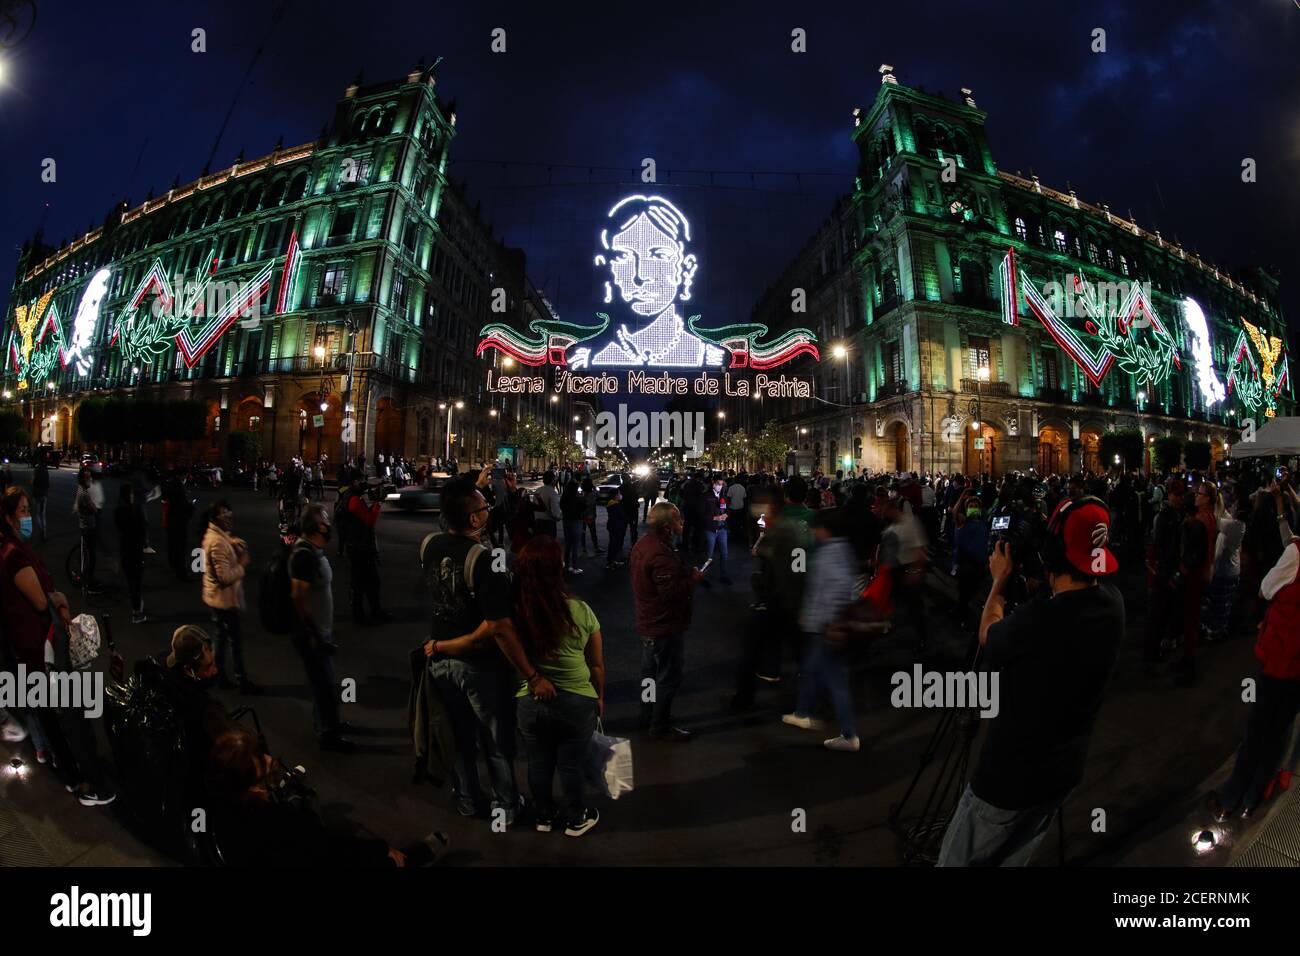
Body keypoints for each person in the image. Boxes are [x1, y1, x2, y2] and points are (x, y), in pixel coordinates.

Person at [937, 497, 1123, 866]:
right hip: (1061, 775)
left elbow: (990, 636)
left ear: (1053, 550)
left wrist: (999, 583)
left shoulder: (1041, 619)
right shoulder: (1113, 604)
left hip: (1008, 782)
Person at [422, 478, 556, 825]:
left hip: (438, 661)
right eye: (484, 508)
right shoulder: (487, 560)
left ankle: (467, 799)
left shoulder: (429, 545)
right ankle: (506, 806)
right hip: (478, 665)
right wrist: (532, 674)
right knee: (495, 741)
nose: (488, 511)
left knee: (459, 736)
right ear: (473, 520)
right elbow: (499, 626)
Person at [0, 486, 115, 806]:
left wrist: (58, 601)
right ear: (8, 518)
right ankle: (87, 784)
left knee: (51, 716)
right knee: (69, 715)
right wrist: (58, 599)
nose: (28, 516)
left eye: (27, 509)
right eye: (22, 511)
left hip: (31, 647)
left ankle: (71, 776)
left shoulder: (16, 548)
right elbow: (39, 599)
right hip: (39, 648)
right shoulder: (13, 554)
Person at [206, 728, 426, 867]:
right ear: (252, 785)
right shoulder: (274, 820)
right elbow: (328, 845)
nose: (268, 757)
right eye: (261, 761)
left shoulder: (220, 805)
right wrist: (381, 849)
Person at [1210, 484, 1300, 820]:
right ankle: (1254, 796)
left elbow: (1265, 587)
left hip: (1280, 658)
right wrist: (1281, 504)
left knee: (1257, 729)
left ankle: (1232, 796)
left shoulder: (1296, 555)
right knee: (1279, 731)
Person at [511, 536, 605, 836]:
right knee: (570, 765)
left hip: (530, 701)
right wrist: (600, 697)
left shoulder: (515, 613)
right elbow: (596, 665)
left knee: (538, 762)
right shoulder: (579, 610)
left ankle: (544, 816)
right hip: (576, 700)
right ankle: (576, 817)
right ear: (557, 569)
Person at [781, 508, 862, 751]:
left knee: (832, 678)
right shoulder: (841, 550)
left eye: (817, 528)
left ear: (825, 530)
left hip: (825, 627)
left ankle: (848, 734)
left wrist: (827, 621)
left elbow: (834, 591)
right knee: (813, 670)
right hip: (825, 624)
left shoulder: (830, 555)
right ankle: (803, 711)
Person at [630, 502, 702, 740]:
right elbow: (671, 592)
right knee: (668, 677)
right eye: (678, 520)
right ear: (668, 527)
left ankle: (646, 714)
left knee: (649, 674)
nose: (682, 524)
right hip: (664, 624)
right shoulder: (659, 553)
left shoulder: (643, 545)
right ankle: (660, 724)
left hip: (648, 621)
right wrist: (692, 579)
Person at [289, 504, 353, 752]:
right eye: (326, 519)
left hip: (318, 630)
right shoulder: (304, 554)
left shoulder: (312, 550)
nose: (330, 524)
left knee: (324, 681)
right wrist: (313, 633)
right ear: (318, 526)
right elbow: (298, 596)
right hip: (312, 634)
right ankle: (328, 734)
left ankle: (328, 722)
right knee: (323, 684)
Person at [201, 500, 261, 694]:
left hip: (219, 599)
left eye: (229, 512)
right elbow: (224, 577)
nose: (228, 517)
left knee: (222, 638)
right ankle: (240, 680)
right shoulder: (217, 542)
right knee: (232, 641)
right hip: (223, 601)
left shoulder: (217, 536)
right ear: (215, 519)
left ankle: (219, 676)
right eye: (223, 514)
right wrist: (242, 564)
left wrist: (232, 541)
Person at [1174, 481, 1219, 686]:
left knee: (1190, 619)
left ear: (1207, 498)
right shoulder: (1210, 517)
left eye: (1200, 493)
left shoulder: (1199, 521)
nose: (1196, 495)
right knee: (1191, 617)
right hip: (1202, 571)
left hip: (1193, 573)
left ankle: (1189, 666)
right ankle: (1187, 660)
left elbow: (1194, 553)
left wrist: (1183, 566)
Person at [340, 475, 390, 625]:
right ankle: (362, 614)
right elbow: (369, 520)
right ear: (353, 482)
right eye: (358, 480)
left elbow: (364, 486)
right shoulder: (354, 500)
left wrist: (380, 482)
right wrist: (378, 503)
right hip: (359, 547)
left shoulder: (349, 494)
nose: (361, 483)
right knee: (364, 582)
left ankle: (370, 611)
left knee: (366, 582)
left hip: (357, 545)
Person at [1203, 498, 1248, 642]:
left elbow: (1215, 520)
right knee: (1222, 604)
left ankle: (1215, 632)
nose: (1232, 506)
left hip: (1226, 571)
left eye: (1235, 504)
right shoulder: (1236, 524)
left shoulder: (1234, 525)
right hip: (1230, 570)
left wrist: (1217, 500)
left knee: (1219, 604)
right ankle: (1218, 630)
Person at [114, 484, 147, 623]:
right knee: (136, 582)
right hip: (135, 550)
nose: (133, 496)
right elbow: (142, 527)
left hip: (125, 549)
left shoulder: (118, 510)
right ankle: (137, 612)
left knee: (131, 580)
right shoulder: (134, 510)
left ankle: (137, 604)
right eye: (131, 494)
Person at [698, 473, 733, 585]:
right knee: (709, 555)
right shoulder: (705, 496)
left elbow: (728, 509)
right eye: (718, 484)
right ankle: (703, 577)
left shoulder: (723, 496)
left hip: (722, 528)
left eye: (722, 484)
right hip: (710, 529)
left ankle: (723, 575)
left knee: (725, 553)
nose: (720, 486)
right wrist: (714, 518)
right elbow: (700, 514)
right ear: (713, 483)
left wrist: (726, 515)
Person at [73, 466, 103, 592]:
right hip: (87, 528)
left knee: (87, 554)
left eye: (89, 477)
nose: (89, 479)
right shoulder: (84, 493)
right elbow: (94, 509)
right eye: (87, 477)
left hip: (86, 526)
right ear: (82, 479)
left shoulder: (82, 490)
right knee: (90, 556)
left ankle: (86, 577)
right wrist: (95, 508)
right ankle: (88, 582)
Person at [163, 472, 195, 581]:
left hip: (171, 519)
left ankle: (174, 566)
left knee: (172, 545)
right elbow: (184, 506)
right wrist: (191, 506)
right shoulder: (179, 488)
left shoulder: (170, 485)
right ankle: (181, 572)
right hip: (179, 521)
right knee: (180, 547)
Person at [560, 476, 585, 575]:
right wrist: (582, 497)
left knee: (568, 543)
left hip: (566, 521)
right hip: (576, 521)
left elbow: (561, 506)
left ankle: (567, 565)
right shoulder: (577, 498)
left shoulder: (564, 498)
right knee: (575, 544)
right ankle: (575, 566)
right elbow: (583, 507)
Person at [605, 485, 628, 568]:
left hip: (613, 526)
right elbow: (621, 516)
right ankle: (611, 561)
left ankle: (612, 560)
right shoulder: (615, 505)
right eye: (619, 494)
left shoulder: (612, 503)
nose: (620, 495)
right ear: (615, 496)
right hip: (616, 527)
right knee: (614, 544)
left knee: (613, 544)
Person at [31, 458, 49, 543]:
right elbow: (48, 483)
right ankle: (44, 532)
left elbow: (32, 481)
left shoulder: (36, 470)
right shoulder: (46, 470)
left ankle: (41, 529)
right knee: (43, 514)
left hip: (37, 494)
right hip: (44, 494)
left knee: (37, 514)